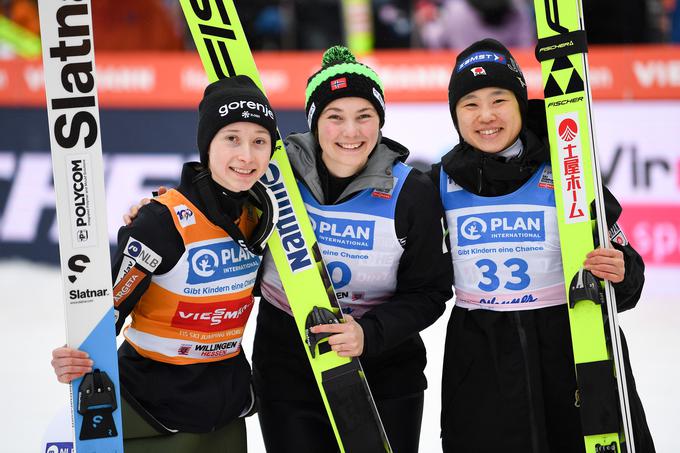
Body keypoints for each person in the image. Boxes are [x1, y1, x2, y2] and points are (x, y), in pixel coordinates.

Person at [429, 38, 656, 453]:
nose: (486, 116)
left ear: (519, 103)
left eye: (499, 100)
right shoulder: (436, 183)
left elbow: (628, 270)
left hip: (570, 346)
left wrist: (621, 270)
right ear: (455, 115)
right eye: (470, 104)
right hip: (482, 357)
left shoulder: (569, 170)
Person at [50, 75, 279, 452]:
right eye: (232, 139)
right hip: (152, 409)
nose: (247, 156)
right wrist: (74, 357)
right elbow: (108, 309)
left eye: (259, 141)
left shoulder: (262, 215)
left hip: (225, 410)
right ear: (208, 145)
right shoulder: (161, 221)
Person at [252, 46, 453, 453]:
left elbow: (430, 293)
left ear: (380, 120)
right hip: (288, 370)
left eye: (364, 116)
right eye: (334, 117)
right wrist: (162, 211)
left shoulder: (411, 192)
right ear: (314, 122)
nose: (351, 132)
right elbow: (215, 213)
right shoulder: (273, 176)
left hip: (385, 372)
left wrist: (369, 334)